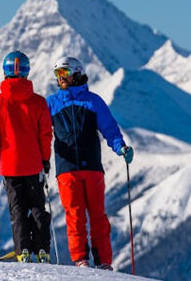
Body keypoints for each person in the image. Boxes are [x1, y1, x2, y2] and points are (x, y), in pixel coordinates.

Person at [47, 57, 134, 270]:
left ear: (76, 73)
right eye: (58, 74)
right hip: (66, 168)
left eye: (64, 73)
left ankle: (104, 261)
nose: (61, 78)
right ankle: (80, 260)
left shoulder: (93, 101)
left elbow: (109, 129)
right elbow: (39, 131)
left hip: (92, 167)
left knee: (98, 215)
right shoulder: (51, 103)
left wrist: (120, 147)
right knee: (74, 215)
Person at [0, 51, 53, 263]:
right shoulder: (38, 102)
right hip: (33, 164)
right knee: (37, 207)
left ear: (5, 72)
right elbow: (45, 134)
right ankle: (42, 249)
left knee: (17, 209)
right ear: (26, 71)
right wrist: (45, 159)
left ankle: (22, 250)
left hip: (9, 166)